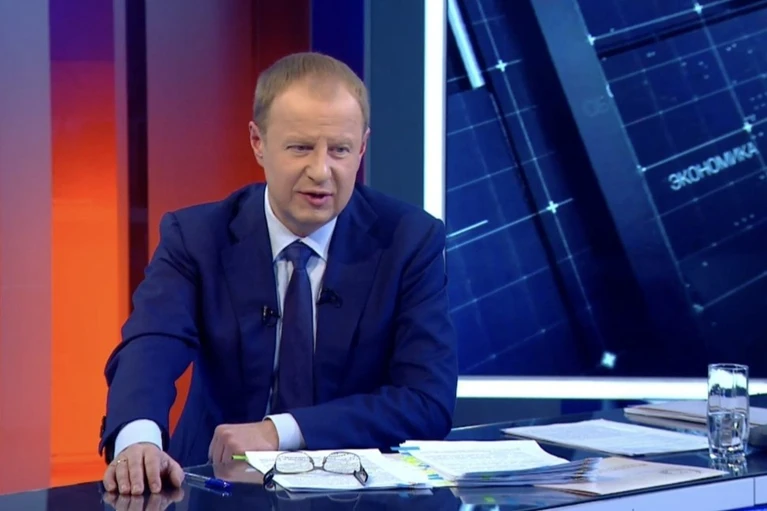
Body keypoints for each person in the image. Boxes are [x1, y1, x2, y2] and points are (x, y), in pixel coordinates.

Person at [99, 52, 458, 496]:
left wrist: (279, 431)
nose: (321, 171)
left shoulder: (409, 241)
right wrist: (138, 439)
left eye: (340, 150)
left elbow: (426, 400)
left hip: (357, 496)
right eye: (301, 147)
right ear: (258, 142)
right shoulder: (197, 237)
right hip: (215, 490)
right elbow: (151, 344)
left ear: (362, 148)